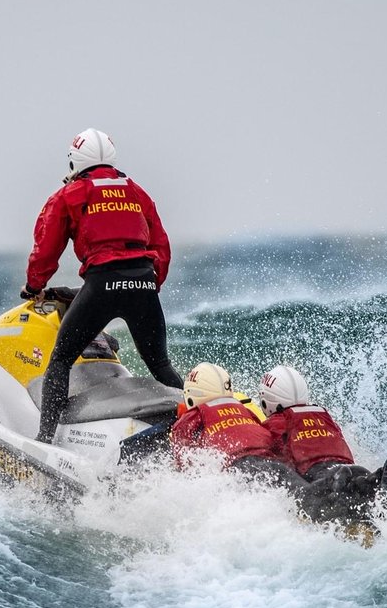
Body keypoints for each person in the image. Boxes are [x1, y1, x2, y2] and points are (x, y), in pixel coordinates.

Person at [23, 128, 183, 443]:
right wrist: (149, 287)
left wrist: (33, 287)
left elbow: (45, 247)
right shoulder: (137, 191)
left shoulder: (70, 194)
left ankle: (44, 440)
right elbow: (161, 246)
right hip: (144, 282)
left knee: (61, 360)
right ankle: (199, 428)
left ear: (74, 162)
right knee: (161, 364)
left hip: (102, 283)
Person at [257, 365, 387, 522]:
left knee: (326, 497)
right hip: (353, 469)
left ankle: (364, 484)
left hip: (327, 477)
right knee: (364, 490)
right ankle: (377, 479)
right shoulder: (323, 415)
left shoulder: (277, 422)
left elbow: (264, 455)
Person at [170, 362, 309, 493]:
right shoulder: (245, 408)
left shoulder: (194, 415)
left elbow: (183, 455)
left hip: (240, 469)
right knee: (308, 497)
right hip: (272, 463)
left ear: (190, 396)